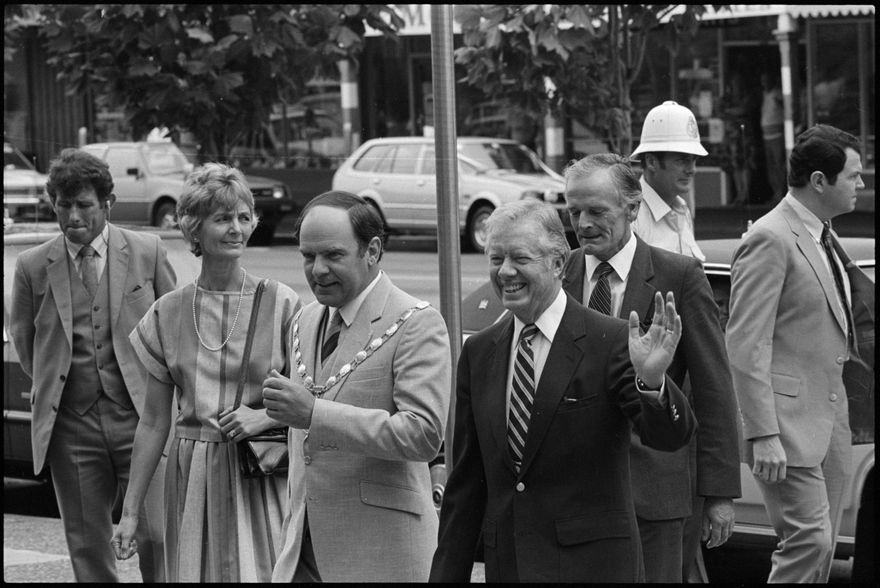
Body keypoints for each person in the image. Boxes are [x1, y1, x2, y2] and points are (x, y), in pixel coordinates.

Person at [429, 199, 696, 583]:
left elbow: (669, 437)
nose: (505, 271)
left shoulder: (610, 340)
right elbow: (468, 485)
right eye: (495, 258)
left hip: (595, 569)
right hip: (512, 568)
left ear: (558, 263)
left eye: (520, 258)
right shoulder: (479, 352)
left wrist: (652, 383)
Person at [110, 163, 301, 582]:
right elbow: (154, 420)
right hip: (192, 473)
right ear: (194, 229)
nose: (236, 228)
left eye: (243, 217)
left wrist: (264, 417)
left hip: (259, 471)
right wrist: (130, 512)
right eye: (222, 218)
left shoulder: (282, 303)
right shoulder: (168, 312)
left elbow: (313, 395)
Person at [560, 153, 742, 583]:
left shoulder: (678, 275)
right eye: (574, 212)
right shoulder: (559, 272)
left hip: (653, 495)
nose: (583, 224)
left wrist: (719, 495)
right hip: (573, 496)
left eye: (597, 211)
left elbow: (714, 387)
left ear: (633, 208)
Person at [264, 191, 451, 582]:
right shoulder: (305, 319)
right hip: (302, 551)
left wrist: (315, 414)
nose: (317, 270)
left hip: (382, 553)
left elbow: (423, 435)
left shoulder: (417, 322)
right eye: (307, 256)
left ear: (373, 251)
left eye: (333, 255)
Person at [9, 148, 173, 582]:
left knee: (158, 534)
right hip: (71, 426)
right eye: (63, 205)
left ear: (107, 203)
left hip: (141, 418)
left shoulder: (147, 251)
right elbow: (27, 348)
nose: (73, 216)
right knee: (86, 543)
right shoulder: (31, 266)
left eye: (84, 205)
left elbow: (172, 334)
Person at [726, 124, 866, 583]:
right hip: (785, 429)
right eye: (854, 176)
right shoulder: (770, 237)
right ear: (820, 181)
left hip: (830, 423)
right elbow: (746, 342)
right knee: (811, 541)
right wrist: (762, 432)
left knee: (822, 551)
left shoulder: (823, 235)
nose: (862, 186)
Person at [630, 100, 707, 262]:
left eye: (694, 160)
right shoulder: (630, 217)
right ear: (651, 162)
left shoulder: (682, 209)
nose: (692, 169)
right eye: (682, 160)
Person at [760, 72, 787, 204]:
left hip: (776, 135)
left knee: (778, 165)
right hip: (766, 135)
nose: (764, 83)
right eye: (762, 81)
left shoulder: (777, 94)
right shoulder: (765, 94)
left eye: (766, 80)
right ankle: (776, 193)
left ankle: (780, 194)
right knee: (771, 166)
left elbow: (785, 108)